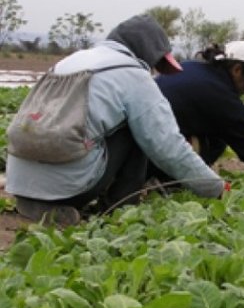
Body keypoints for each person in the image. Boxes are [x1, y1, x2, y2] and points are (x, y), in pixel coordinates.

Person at [5, 15, 225, 226]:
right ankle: (117, 208)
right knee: (140, 128)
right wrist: (215, 187)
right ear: (146, 52)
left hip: (19, 180)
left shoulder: (71, 60)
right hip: (70, 184)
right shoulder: (133, 74)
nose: (154, 70)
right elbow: (168, 146)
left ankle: (38, 203)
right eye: (157, 63)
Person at [151, 40, 244, 177]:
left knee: (216, 134)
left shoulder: (192, 67)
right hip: (150, 156)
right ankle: (169, 181)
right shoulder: (221, 95)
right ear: (237, 70)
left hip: (139, 146)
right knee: (217, 141)